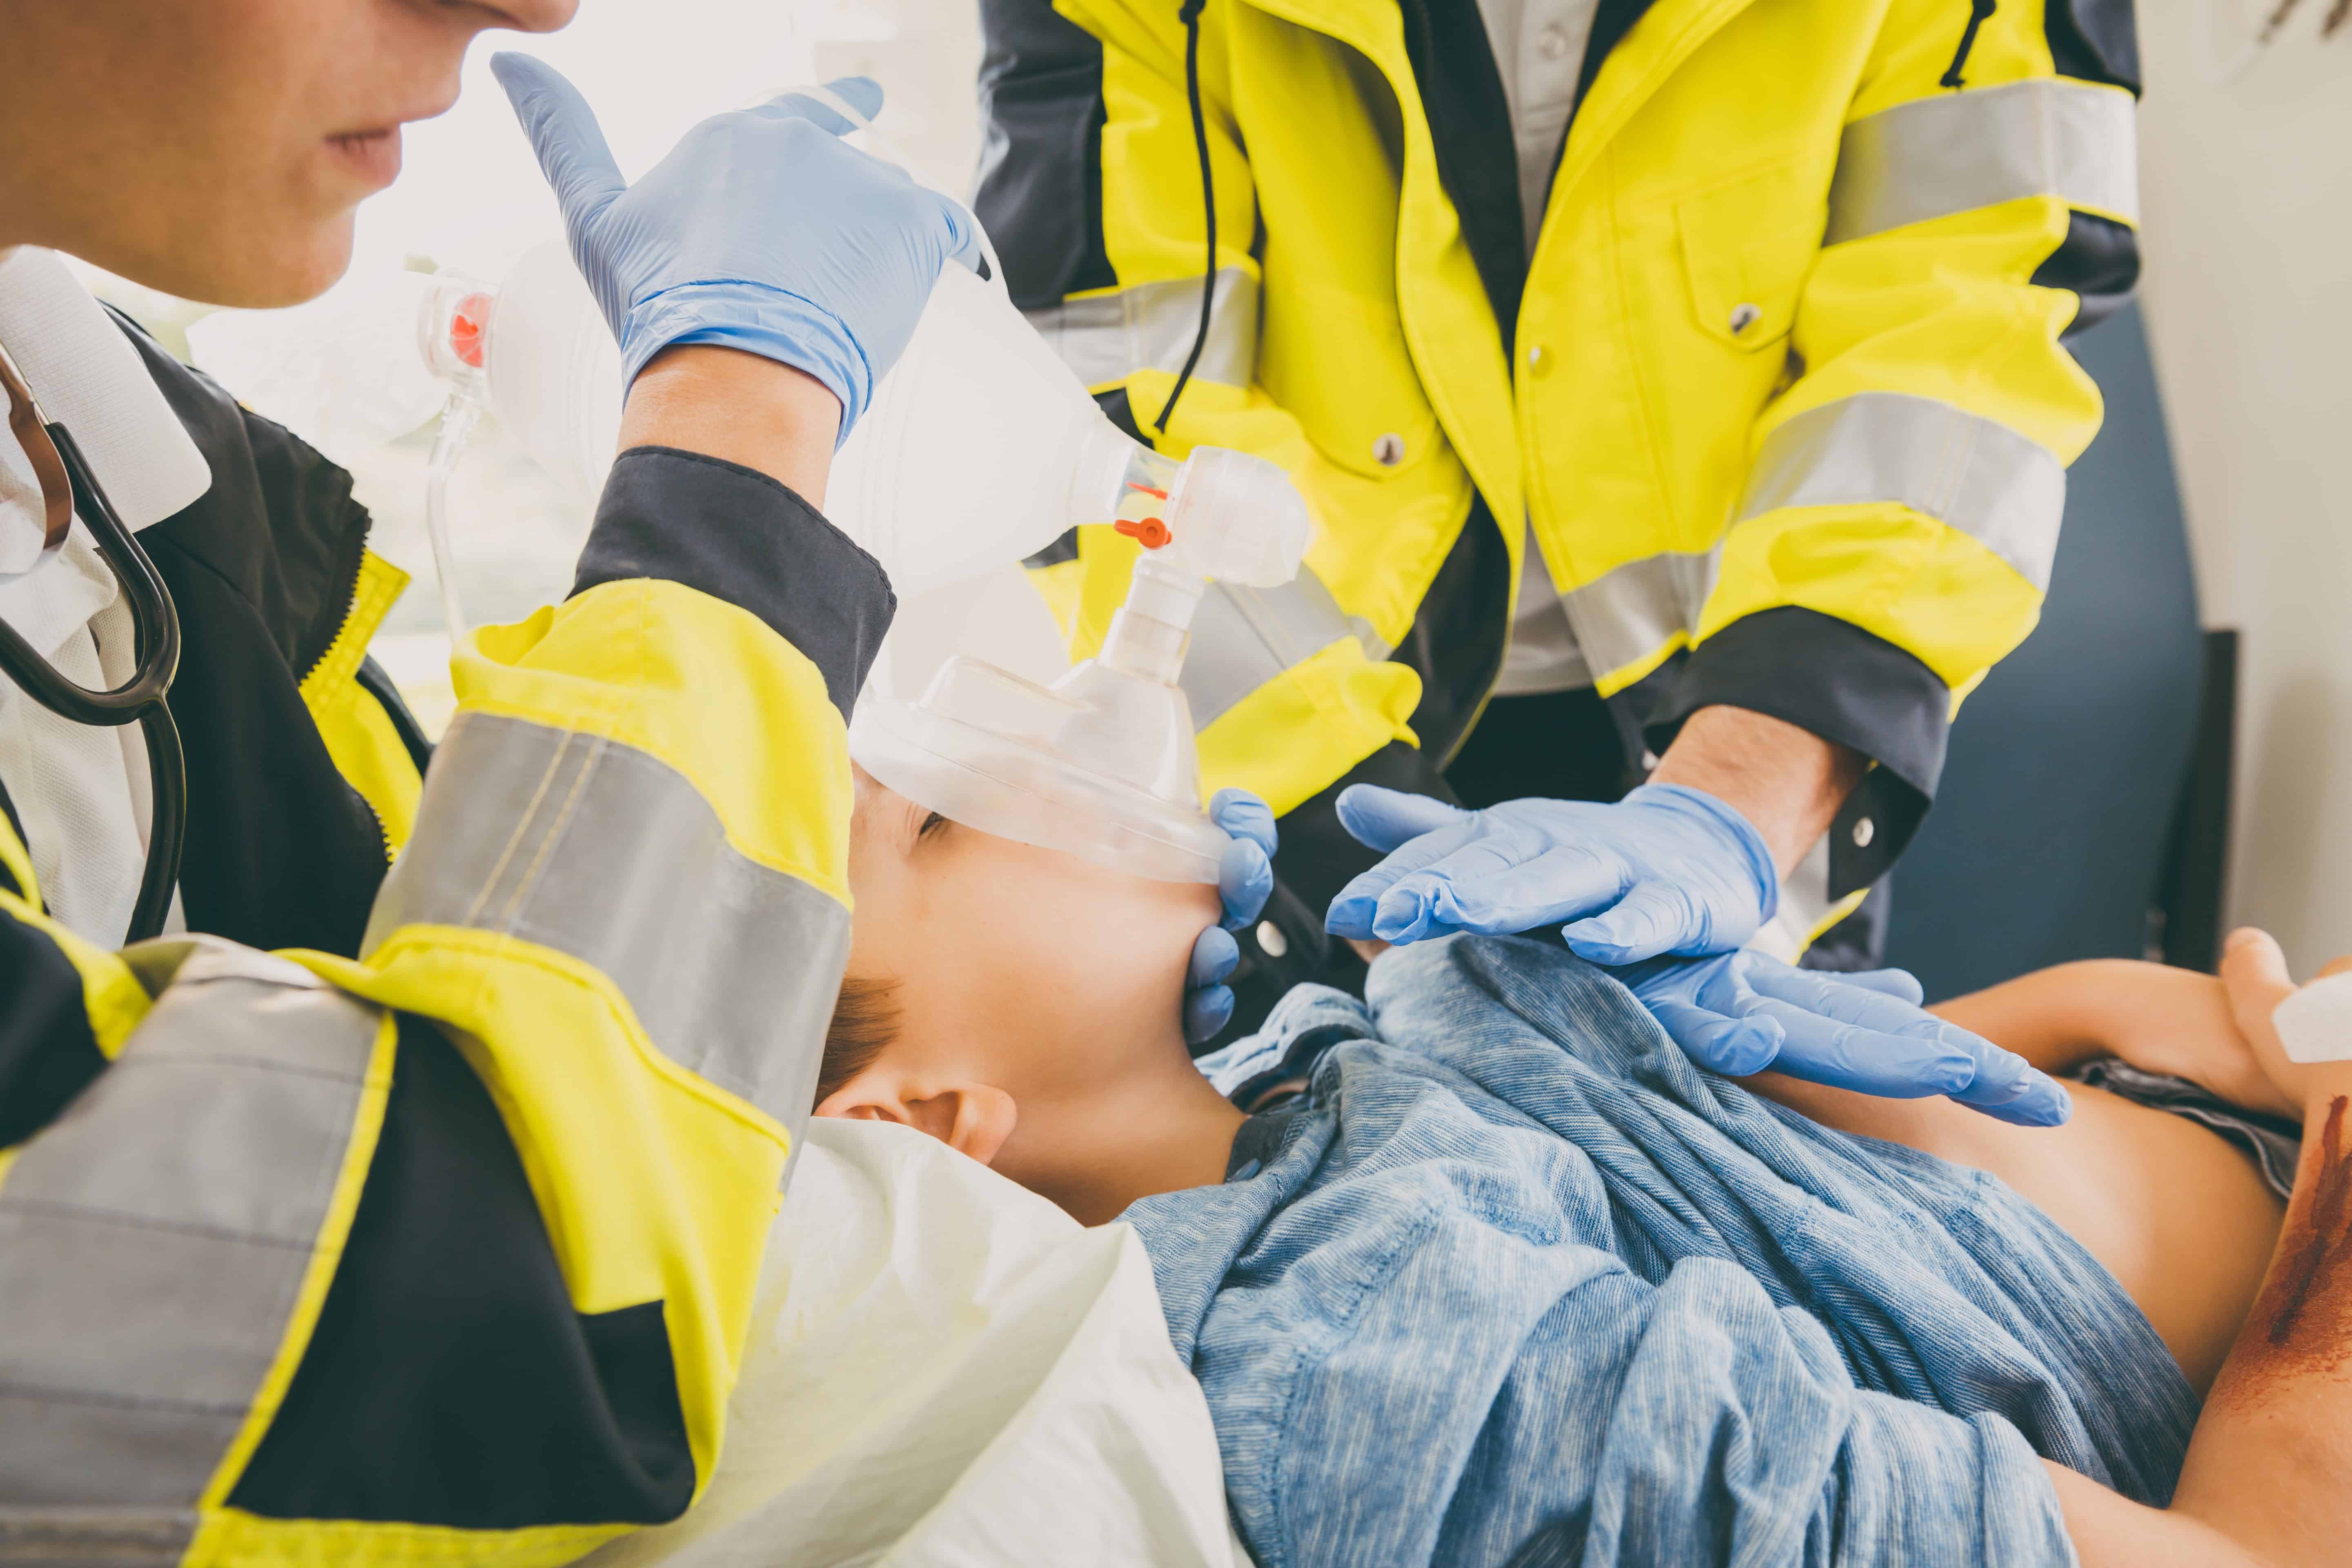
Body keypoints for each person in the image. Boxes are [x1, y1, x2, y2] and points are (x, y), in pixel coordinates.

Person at [0, 4, 1143, 1560]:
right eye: (923, 823)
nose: (533, 6)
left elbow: (420, 920)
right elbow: (472, 1315)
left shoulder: (123, 452)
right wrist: (733, 439)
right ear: (917, 1123)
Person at [973, 0, 2145, 1064]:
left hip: (1749, 710)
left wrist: (1730, 816)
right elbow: (1118, 403)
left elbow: (1966, 332)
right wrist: (1368, 885)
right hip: (1323, 722)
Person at [816, 775, 2352, 1566]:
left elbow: (1850, 1161)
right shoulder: (1378, 1367)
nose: (1026, 764)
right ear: (922, 1121)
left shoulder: (1300, 1067)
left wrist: (2115, 1018)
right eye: (944, 820)